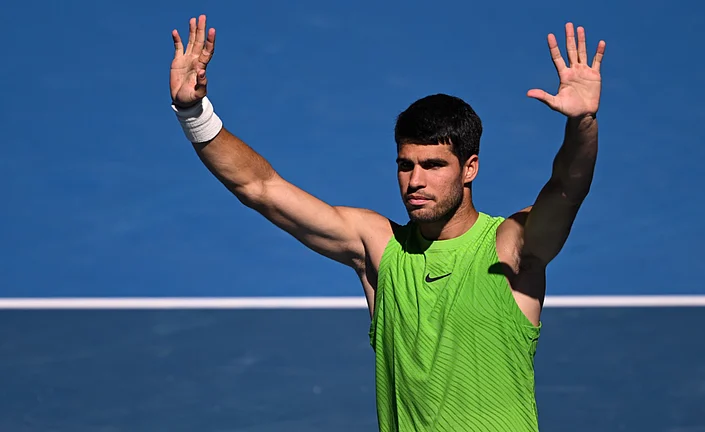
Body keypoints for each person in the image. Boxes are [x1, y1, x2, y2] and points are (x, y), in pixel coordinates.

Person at [169, 15, 605, 432]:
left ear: (470, 168)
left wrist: (582, 122)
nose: (415, 181)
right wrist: (194, 113)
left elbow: (567, 188)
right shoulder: (379, 248)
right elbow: (260, 187)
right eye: (405, 165)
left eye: (434, 165)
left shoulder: (511, 249)